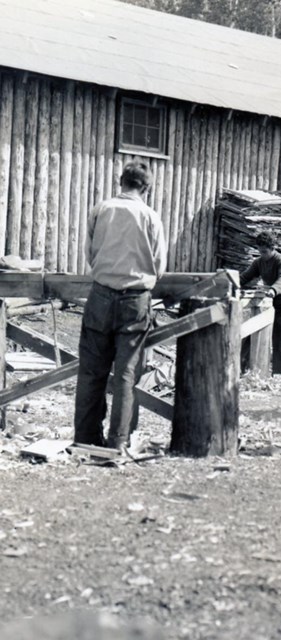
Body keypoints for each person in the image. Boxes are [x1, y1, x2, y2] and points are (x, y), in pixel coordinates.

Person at [74, 161, 167, 450]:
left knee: (91, 372)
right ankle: (117, 442)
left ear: (120, 181)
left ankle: (85, 438)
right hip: (135, 300)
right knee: (126, 375)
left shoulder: (101, 210)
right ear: (146, 188)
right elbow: (159, 265)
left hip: (101, 295)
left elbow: (90, 253)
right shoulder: (150, 217)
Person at [240, 231, 281, 379]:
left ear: (272, 248)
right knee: (251, 334)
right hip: (267, 304)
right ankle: (241, 368)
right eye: (260, 251)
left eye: (264, 251)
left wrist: (273, 290)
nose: (262, 254)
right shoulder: (259, 262)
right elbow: (246, 276)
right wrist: (233, 284)